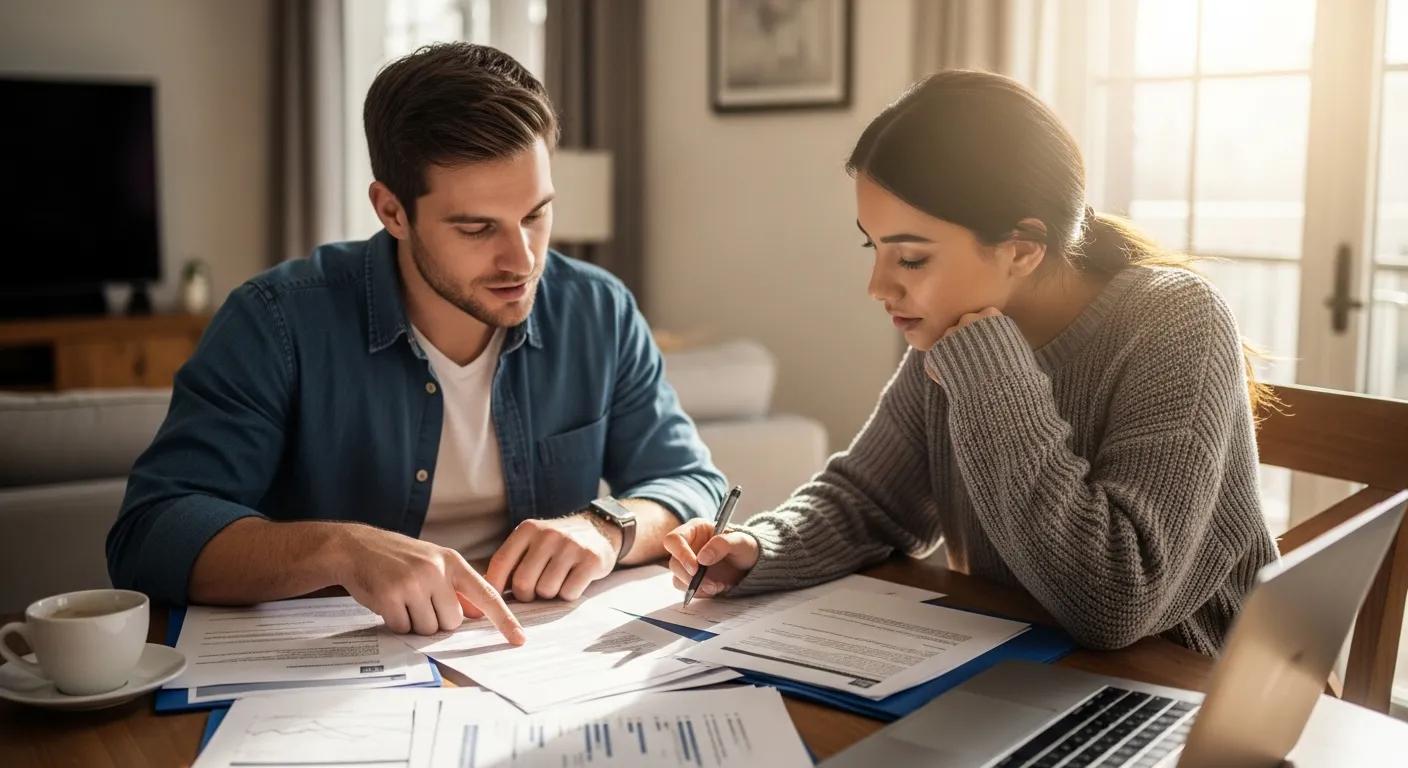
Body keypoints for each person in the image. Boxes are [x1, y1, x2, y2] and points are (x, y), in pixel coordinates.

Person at [107, 43, 725, 644]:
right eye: (477, 227)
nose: (524, 259)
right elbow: (151, 533)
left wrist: (607, 526)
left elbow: (693, 482)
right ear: (392, 211)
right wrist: (340, 549)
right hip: (333, 675)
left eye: (536, 214)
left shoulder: (599, 310)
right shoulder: (275, 322)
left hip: (528, 665)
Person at [663, 70, 1278, 655]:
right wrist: (757, 546)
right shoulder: (958, 333)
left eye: (909, 259)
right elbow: (870, 501)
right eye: (872, 247)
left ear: (1021, 250)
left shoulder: (1175, 322)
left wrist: (990, 375)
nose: (878, 286)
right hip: (1026, 670)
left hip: (1191, 690)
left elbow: (1117, 599)